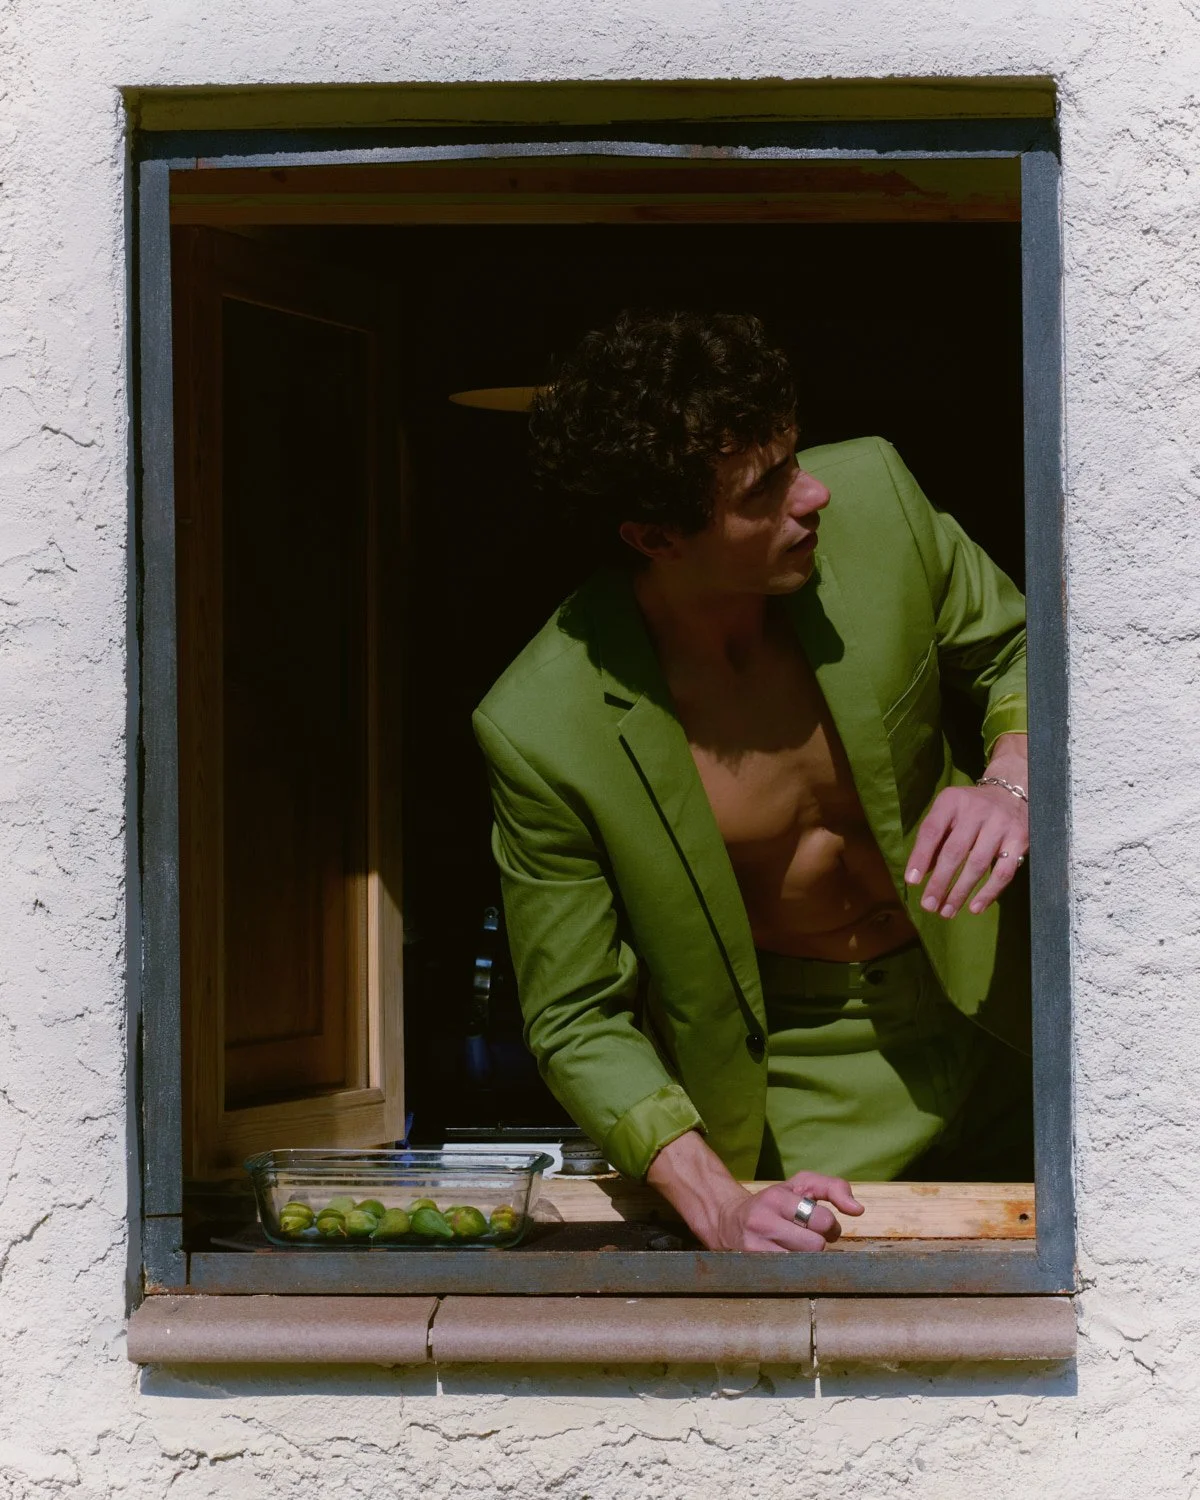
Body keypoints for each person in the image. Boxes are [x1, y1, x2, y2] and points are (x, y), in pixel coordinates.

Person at [472, 310, 1032, 1253]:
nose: (811, 494)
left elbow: (1024, 652)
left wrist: (1011, 774)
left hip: (1014, 1011)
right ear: (656, 536)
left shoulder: (879, 503)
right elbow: (574, 1016)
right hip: (806, 1091)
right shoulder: (541, 727)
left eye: (795, 455)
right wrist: (715, 1198)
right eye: (763, 490)